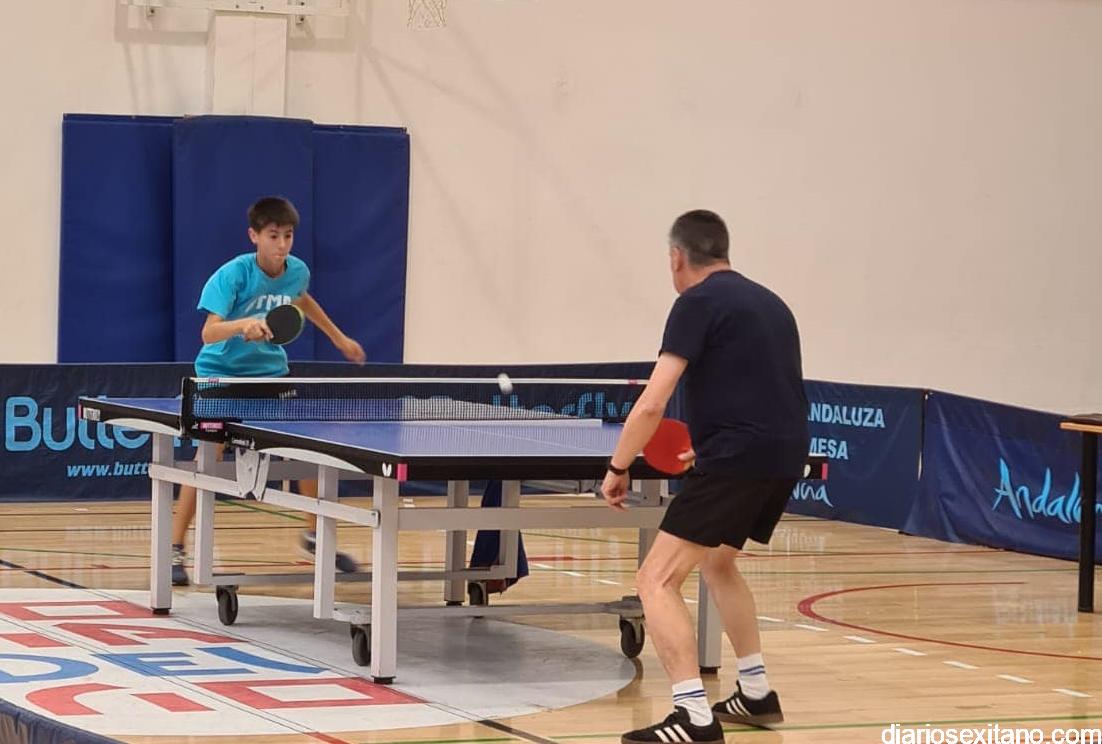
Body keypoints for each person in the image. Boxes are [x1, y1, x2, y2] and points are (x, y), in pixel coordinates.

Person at [601, 210, 809, 744]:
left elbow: (653, 401)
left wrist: (619, 466)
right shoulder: (771, 303)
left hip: (738, 459)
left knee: (655, 580)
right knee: (718, 563)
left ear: (677, 257)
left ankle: (693, 715)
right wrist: (715, 439)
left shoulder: (695, 302)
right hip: (784, 454)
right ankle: (756, 693)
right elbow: (766, 386)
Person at [172, 196, 366, 586]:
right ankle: (175, 547)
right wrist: (242, 325)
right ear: (254, 236)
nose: (282, 244)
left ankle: (314, 535)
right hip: (221, 377)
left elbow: (302, 300)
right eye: (273, 235)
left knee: (305, 451)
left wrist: (339, 338)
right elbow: (209, 332)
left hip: (270, 375)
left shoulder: (297, 271)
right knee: (207, 457)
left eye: (288, 235)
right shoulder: (233, 275)